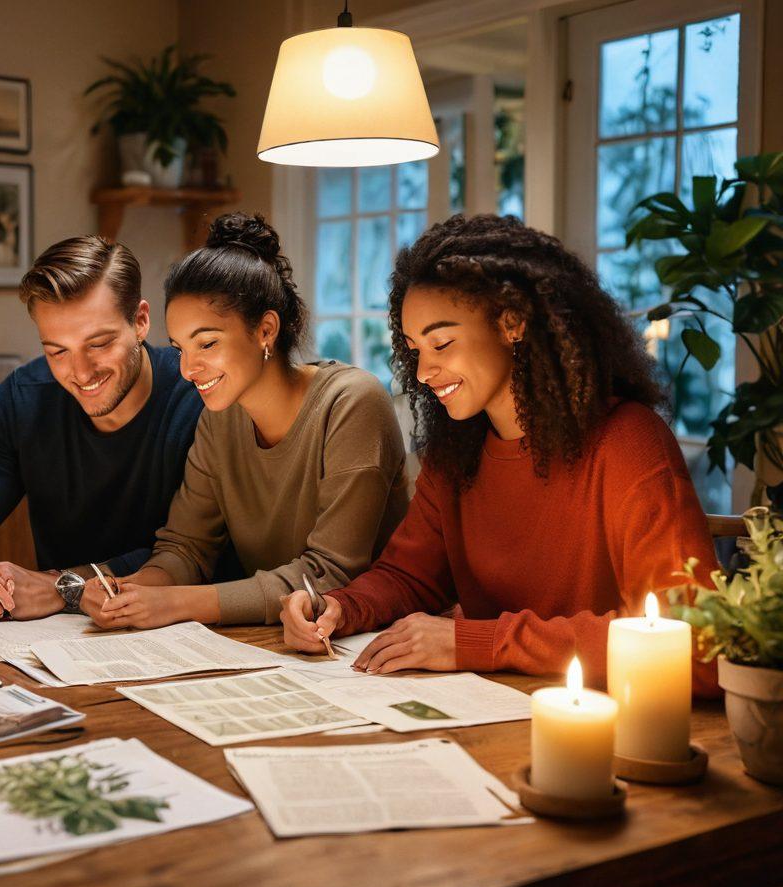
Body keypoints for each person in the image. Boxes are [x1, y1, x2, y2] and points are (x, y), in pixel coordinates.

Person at [280, 213, 720, 694]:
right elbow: (409, 576)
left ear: (513, 322)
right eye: (413, 349)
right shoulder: (457, 451)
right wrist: (340, 607)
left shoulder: (628, 443)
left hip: (614, 721)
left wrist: (478, 641)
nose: (424, 371)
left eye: (442, 343)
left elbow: (698, 643)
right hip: (489, 712)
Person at [93, 212, 409, 629]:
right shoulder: (219, 419)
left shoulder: (352, 403)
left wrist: (175, 604)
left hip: (372, 642)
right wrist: (136, 589)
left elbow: (331, 572)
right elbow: (187, 546)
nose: (188, 369)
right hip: (284, 641)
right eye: (179, 348)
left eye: (207, 343)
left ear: (265, 330)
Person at [0, 236, 207, 624]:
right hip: (63, 647)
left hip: (188, 635)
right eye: (57, 352)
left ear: (141, 321)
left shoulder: (198, 399)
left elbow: (199, 554)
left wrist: (62, 586)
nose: (81, 373)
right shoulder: (23, 401)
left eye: (98, 344)